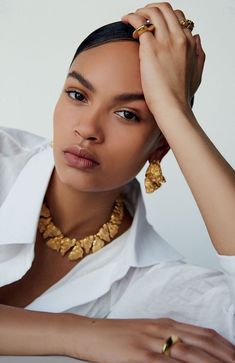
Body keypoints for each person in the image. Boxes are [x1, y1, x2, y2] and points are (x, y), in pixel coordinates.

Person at [0, 2, 235, 362]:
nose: (88, 129)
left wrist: (176, 113)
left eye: (128, 114)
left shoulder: (159, 288)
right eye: (77, 95)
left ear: (161, 144)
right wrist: (81, 334)